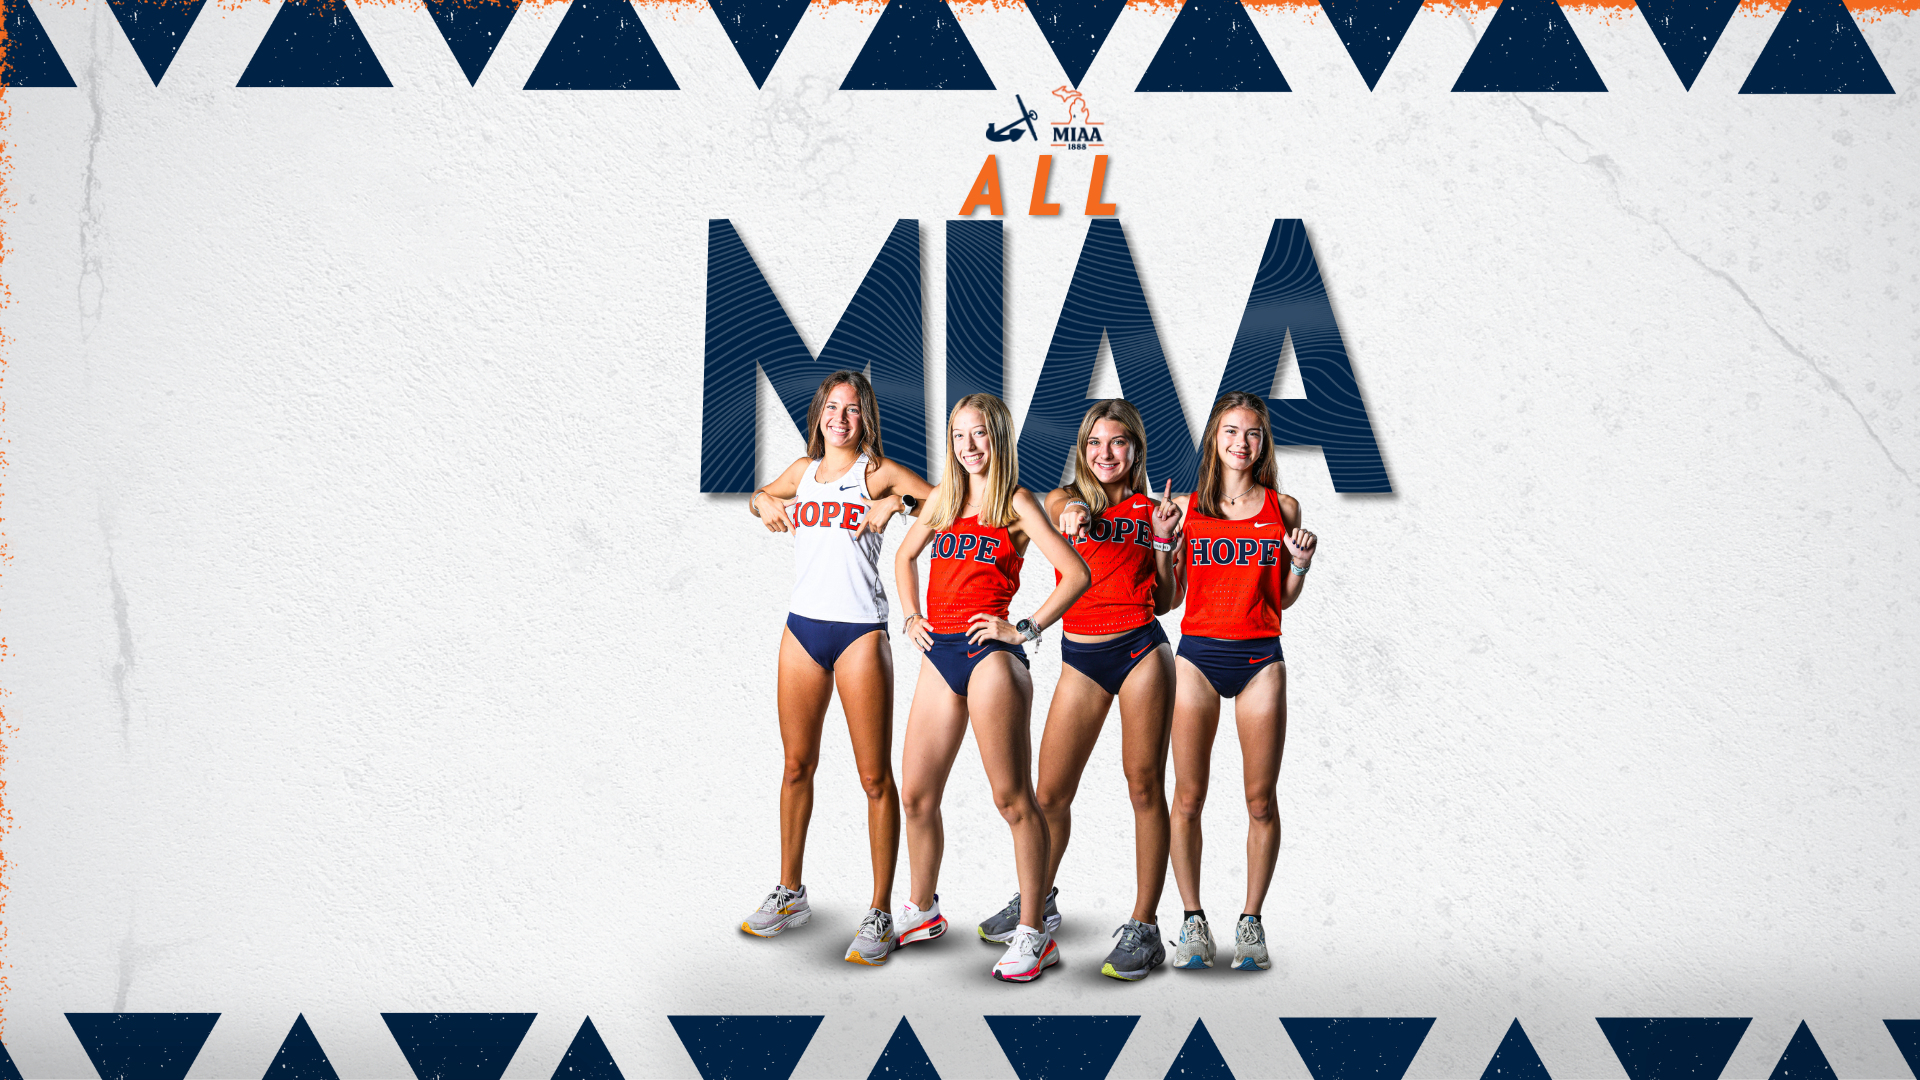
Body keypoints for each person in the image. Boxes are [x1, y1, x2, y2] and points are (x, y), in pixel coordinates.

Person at [974, 399, 1184, 982]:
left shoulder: (1156, 509)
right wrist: (1074, 519)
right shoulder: (1066, 500)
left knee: (1143, 787)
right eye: (1095, 443)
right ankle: (1036, 898)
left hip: (1143, 650)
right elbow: (1069, 517)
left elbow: (1167, 600)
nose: (1105, 454)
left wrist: (1165, 542)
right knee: (1048, 794)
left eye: (1118, 443)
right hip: (1083, 657)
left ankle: (1144, 926)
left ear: (1136, 450)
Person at [890, 393, 1091, 982]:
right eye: (958, 436)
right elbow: (904, 557)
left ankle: (1034, 932)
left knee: (1012, 800)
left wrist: (1022, 628)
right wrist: (910, 617)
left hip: (990, 657)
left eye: (979, 435)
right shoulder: (944, 500)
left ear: (999, 438)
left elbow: (1075, 573)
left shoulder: (1017, 503)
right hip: (939, 652)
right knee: (916, 795)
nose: (968, 446)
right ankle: (922, 909)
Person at [740, 371, 932, 967]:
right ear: (819, 413)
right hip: (801, 629)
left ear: (865, 416)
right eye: (832, 407)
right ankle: (791, 892)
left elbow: (950, 506)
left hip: (860, 634)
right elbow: (759, 497)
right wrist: (766, 501)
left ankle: (879, 912)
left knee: (875, 778)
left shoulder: (880, 473)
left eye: (851, 410)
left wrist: (896, 505)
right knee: (797, 765)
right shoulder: (803, 471)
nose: (840, 418)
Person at [1166, 391, 1318, 972]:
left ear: (1264, 442)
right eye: (1230, 431)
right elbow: (1171, 593)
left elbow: (1280, 598)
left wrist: (1300, 563)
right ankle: (1192, 921)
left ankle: (1251, 922)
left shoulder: (1285, 508)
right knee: (1188, 795)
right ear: (1214, 438)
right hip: (1198, 655)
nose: (1240, 442)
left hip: (1259, 657)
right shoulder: (1184, 506)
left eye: (1252, 433)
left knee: (1259, 799)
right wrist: (1160, 541)